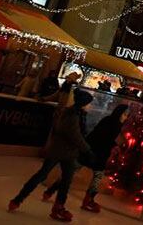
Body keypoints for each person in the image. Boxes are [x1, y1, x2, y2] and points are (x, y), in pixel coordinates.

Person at [8, 89, 94, 222]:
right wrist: (87, 150)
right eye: (88, 103)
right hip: (60, 151)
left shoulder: (78, 114)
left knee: (64, 180)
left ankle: (58, 207)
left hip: (68, 152)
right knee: (44, 175)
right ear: (83, 103)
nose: (90, 106)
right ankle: (18, 199)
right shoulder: (72, 115)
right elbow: (75, 135)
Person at [43, 104, 130, 213]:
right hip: (99, 154)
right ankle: (88, 199)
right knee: (97, 176)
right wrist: (115, 146)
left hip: (89, 150)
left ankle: (50, 191)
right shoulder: (116, 125)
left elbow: (97, 134)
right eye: (125, 114)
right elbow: (107, 139)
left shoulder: (107, 119)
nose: (126, 117)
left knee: (72, 171)